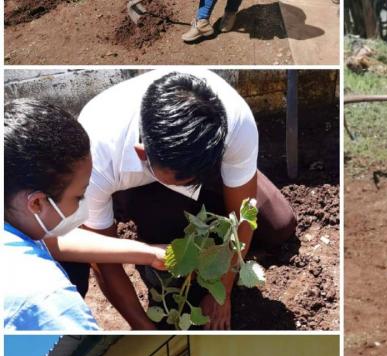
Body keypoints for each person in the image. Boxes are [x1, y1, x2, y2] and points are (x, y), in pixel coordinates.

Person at [70, 69, 297, 330]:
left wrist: (221, 291)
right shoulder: (95, 155)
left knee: (280, 226)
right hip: (133, 184)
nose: (190, 189)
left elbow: (242, 216)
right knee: (170, 261)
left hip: (197, 164)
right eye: (183, 183)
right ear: (143, 154)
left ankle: (201, 186)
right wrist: (144, 327)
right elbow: (101, 255)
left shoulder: (233, 121)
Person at [3, 99, 167, 331]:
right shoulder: (47, 301)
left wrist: (149, 254)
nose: (83, 204)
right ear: (37, 202)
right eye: (79, 197)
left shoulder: (12, 211)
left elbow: (52, 241)